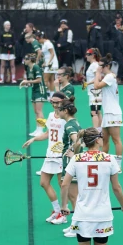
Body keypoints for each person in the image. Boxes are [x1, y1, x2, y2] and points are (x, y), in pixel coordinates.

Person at [60, 127, 123, 245]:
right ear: (98, 140)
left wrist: (64, 206)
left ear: (84, 142)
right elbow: (116, 188)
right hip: (103, 215)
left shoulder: (77, 159)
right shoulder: (109, 159)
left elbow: (64, 184)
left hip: (83, 214)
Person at [21, 92, 69, 226]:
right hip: (50, 154)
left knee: (62, 186)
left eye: (57, 102)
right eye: (52, 102)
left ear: (63, 102)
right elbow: (48, 134)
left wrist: (66, 152)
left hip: (61, 156)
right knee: (43, 182)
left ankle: (64, 215)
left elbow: (72, 137)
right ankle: (57, 210)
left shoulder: (66, 119)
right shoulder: (50, 115)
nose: (54, 105)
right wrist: (34, 139)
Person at [55, 96, 81, 236]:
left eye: (59, 109)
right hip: (74, 163)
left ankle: (78, 228)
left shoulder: (69, 125)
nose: (57, 111)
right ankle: (74, 225)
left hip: (72, 164)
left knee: (73, 197)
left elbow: (77, 141)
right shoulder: (75, 122)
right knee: (74, 197)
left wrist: (74, 156)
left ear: (65, 111)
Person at [93, 55, 123, 172]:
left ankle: (118, 165)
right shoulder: (108, 77)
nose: (98, 68)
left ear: (106, 66)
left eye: (100, 66)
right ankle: (102, 163)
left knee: (116, 140)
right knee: (104, 140)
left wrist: (97, 74)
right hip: (107, 113)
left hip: (113, 113)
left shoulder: (110, 77)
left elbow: (96, 86)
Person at [21, 53, 48, 136]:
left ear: (29, 60)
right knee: (36, 111)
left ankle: (41, 130)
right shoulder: (28, 68)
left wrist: (27, 81)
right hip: (34, 89)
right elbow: (31, 80)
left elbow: (39, 80)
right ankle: (37, 129)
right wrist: (26, 83)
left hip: (40, 90)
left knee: (39, 111)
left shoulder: (36, 67)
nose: (24, 61)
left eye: (25, 59)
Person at [84, 48, 103, 128]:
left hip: (95, 92)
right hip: (94, 91)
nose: (86, 56)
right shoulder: (93, 65)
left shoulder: (94, 65)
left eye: (88, 54)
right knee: (97, 111)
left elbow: (98, 78)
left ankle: (95, 131)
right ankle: (100, 129)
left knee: (94, 112)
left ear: (93, 55)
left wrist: (87, 83)